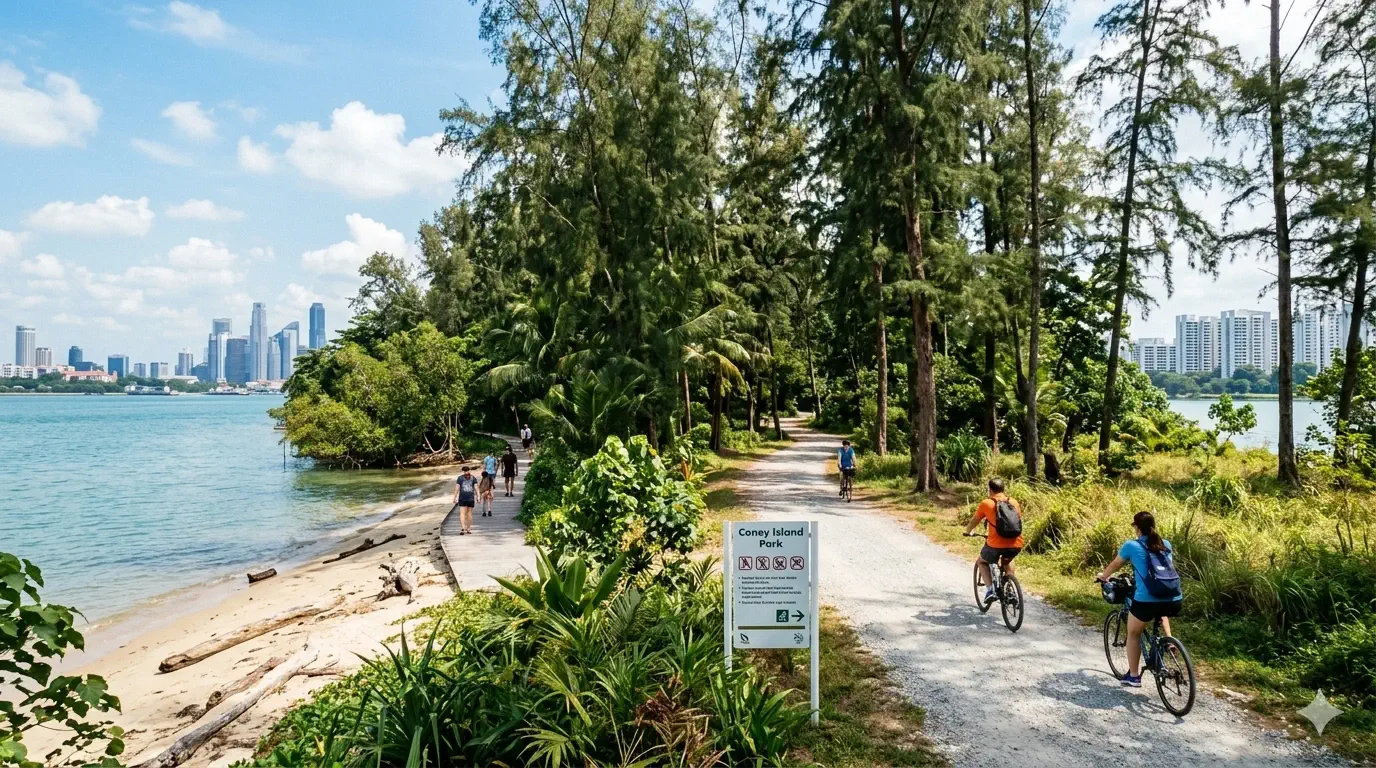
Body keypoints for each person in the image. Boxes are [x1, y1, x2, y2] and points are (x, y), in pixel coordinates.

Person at [1096, 511, 1183, 687]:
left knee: (1133, 633)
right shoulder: (1165, 544)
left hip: (1147, 601)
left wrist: (1103, 576)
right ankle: (1169, 639)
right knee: (1161, 608)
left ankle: (1134, 676)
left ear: (1136, 527)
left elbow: (1115, 565)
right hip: (1174, 598)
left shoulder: (1131, 546)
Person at [963, 478, 1023, 604]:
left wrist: (968, 531)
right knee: (1008, 560)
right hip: (1015, 543)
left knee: (982, 562)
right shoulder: (1013, 502)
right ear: (1003, 489)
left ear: (990, 489)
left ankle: (991, 590)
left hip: (995, 544)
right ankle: (1010, 590)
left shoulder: (987, 503)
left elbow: (975, 520)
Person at [452, 466, 478, 535]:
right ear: (469, 470)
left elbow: (457, 488)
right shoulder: (473, 478)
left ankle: (463, 528)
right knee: (469, 513)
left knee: (462, 513)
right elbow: (476, 488)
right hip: (470, 498)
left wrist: (454, 497)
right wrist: (478, 496)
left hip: (462, 498)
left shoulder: (460, 478)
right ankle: (468, 529)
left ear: (463, 471)